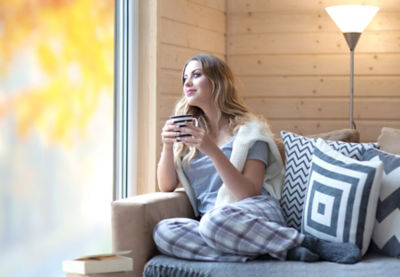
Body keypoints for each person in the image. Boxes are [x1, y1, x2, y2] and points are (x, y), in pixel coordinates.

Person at [153, 54, 360, 264]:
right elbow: (167, 185)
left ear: (218, 82)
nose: (187, 82)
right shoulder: (189, 134)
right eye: (184, 78)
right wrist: (168, 146)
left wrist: (212, 150)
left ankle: (307, 242)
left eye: (196, 75)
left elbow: (248, 192)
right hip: (217, 224)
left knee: (213, 222)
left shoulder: (250, 131)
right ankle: (278, 250)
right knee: (163, 232)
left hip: (254, 212)